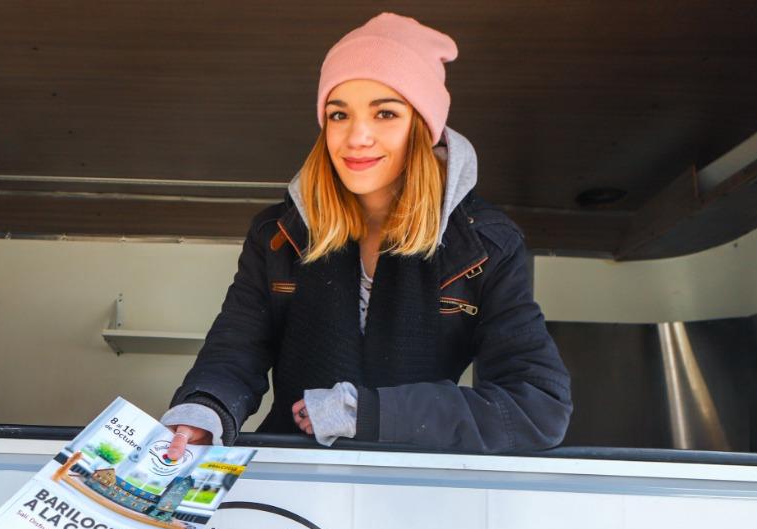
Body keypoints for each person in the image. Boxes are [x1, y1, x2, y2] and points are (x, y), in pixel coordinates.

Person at [162, 13, 571, 458]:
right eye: (339, 114)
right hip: (289, 479)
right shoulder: (279, 233)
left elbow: (537, 408)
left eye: (385, 113)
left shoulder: (486, 244)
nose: (357, 136)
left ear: (422, 126)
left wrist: (370, 413)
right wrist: (202, 411)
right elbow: (236, 349)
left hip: (413, 488)